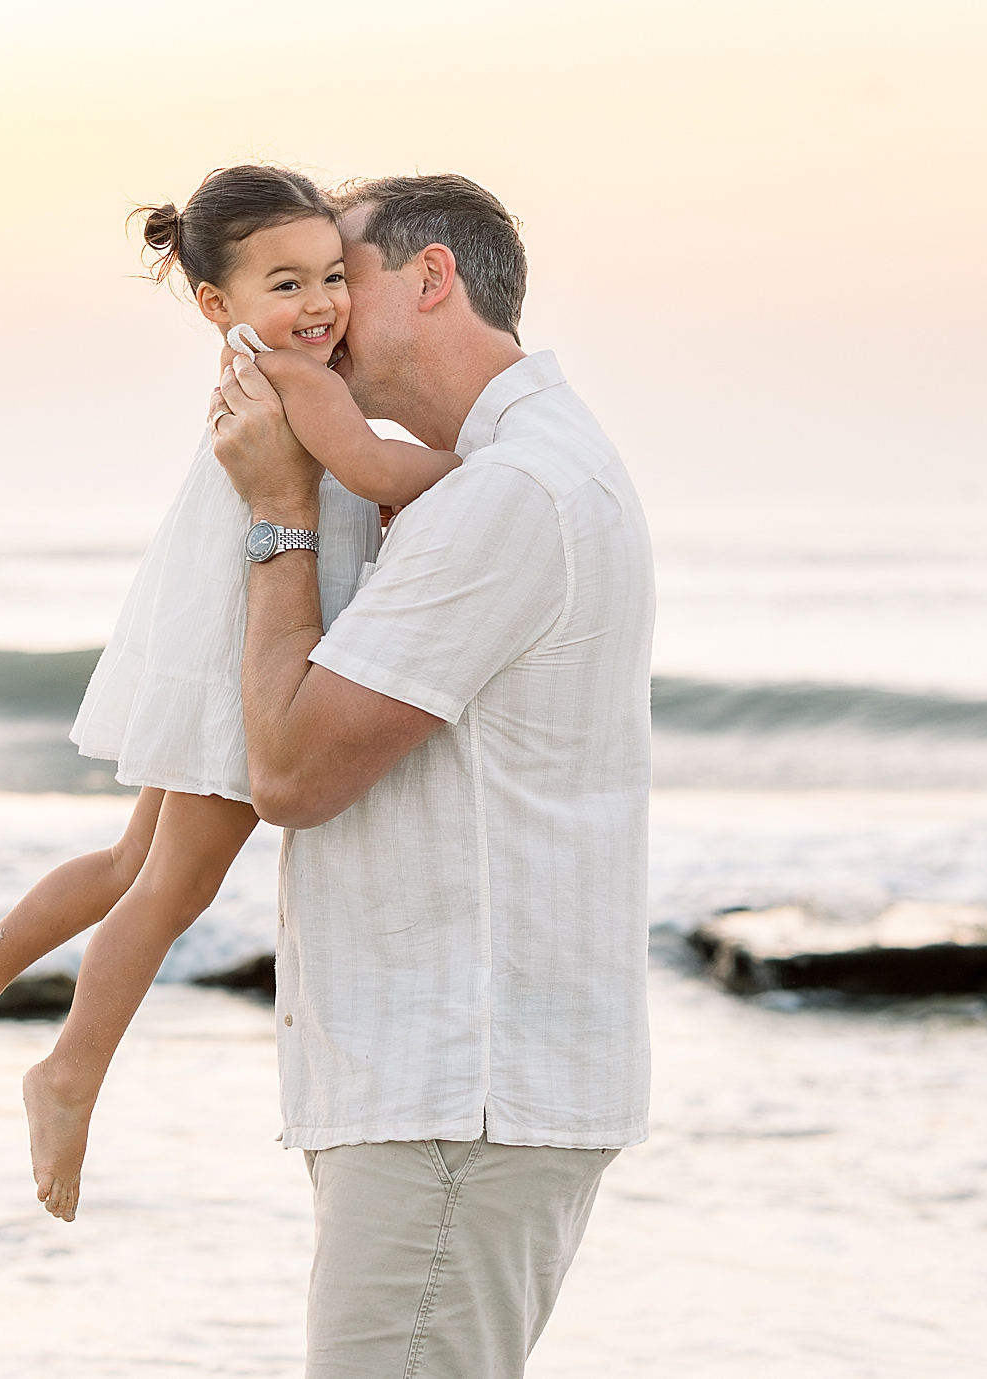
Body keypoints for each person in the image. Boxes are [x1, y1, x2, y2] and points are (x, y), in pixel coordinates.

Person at [0, 165, 460, 1223]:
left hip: (210, 629)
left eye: (332, 275)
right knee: (171, 888)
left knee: (128, 863)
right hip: (249, 643)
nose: (321, 303)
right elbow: (377, 477)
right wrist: (486, 464)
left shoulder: (266, 363)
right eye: (284, 284)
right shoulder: (301, 380)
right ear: (217, 304)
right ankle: (68, 1071)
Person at [211, 174, 654, 1378]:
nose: (322, 315)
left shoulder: (507, 493)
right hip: (451, 1080)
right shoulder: (498, 474)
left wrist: (277, 516)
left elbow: (293, 771)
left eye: (340, 275)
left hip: (456, 1086)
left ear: (432, 276)